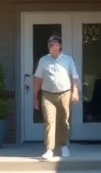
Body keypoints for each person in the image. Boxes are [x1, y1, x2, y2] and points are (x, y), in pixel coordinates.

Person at [33, 33, 79, 161]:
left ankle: (64, 146)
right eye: (51, 45)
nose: (53, 47)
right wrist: (35, 98)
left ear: (60, 46)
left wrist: (75, 92)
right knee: (49, 121)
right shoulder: (43, 60)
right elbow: (37, 79)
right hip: (47, 95)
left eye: (56, 45)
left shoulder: (68, 60)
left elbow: (74, 77)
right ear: (48, 46)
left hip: (64, 93)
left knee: (63, 121)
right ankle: (49, 149)